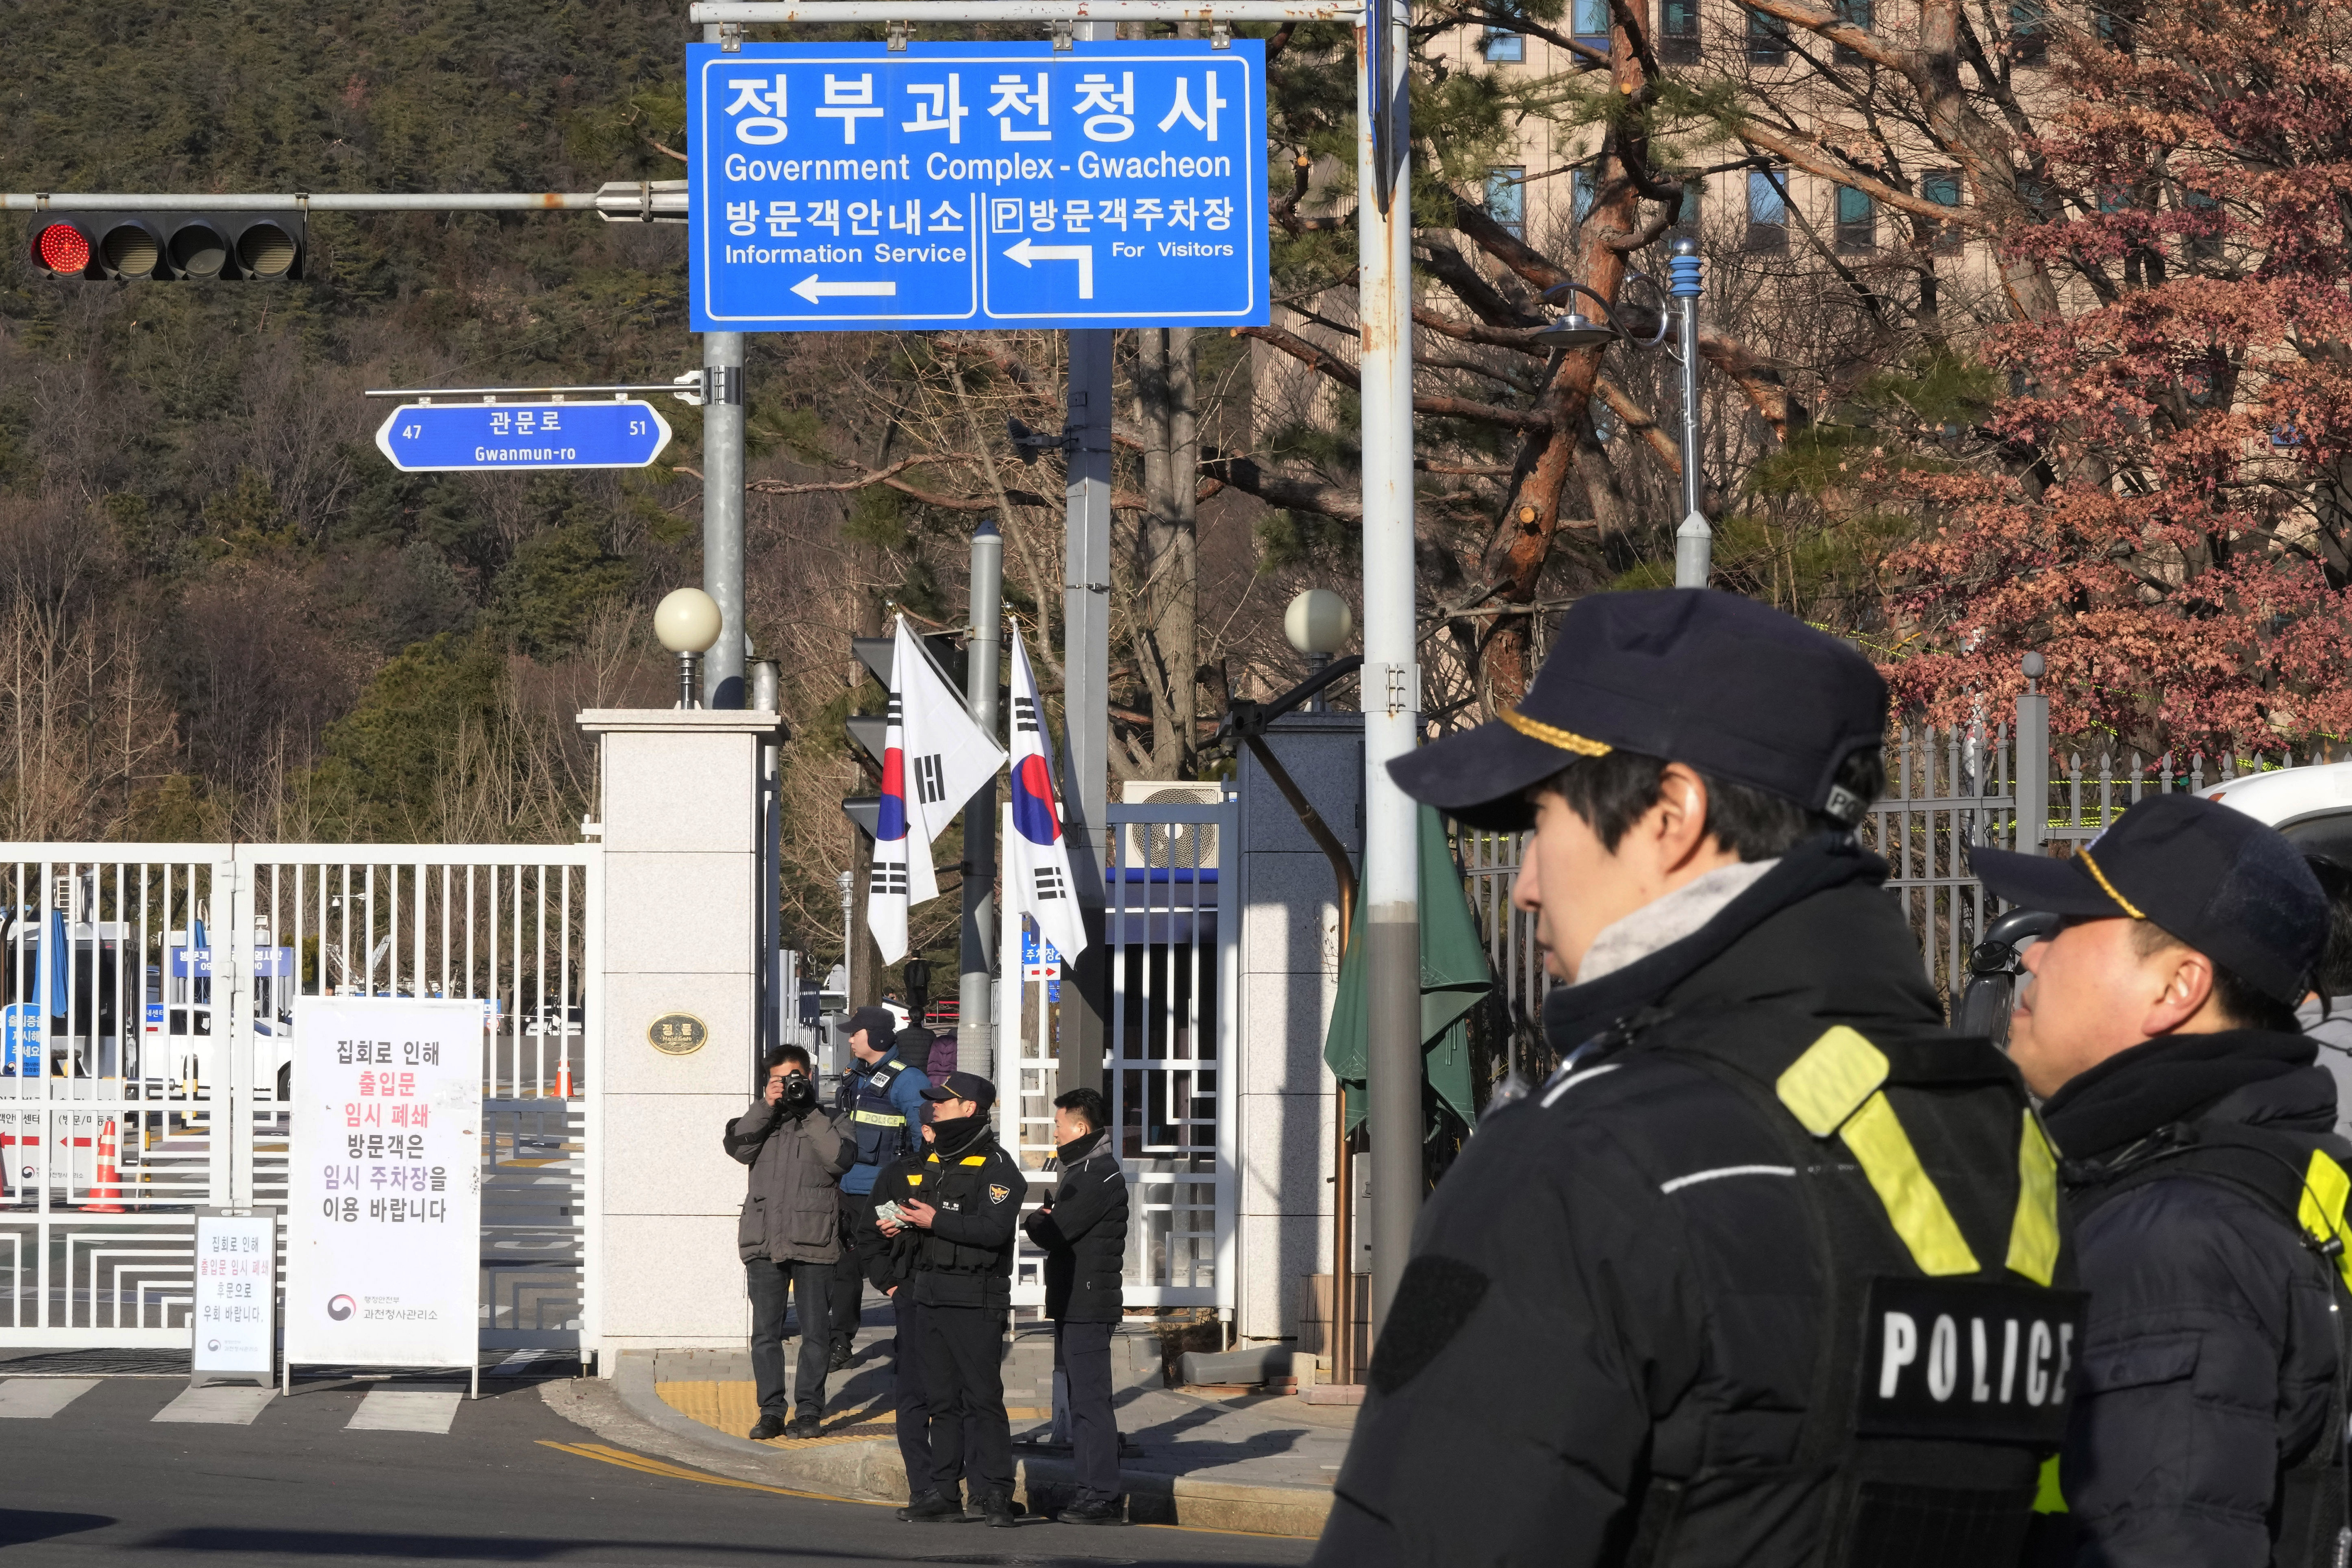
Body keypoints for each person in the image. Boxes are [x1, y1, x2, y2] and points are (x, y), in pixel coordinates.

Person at [1315, 589, 2078, 1566]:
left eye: (1544, 819)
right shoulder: (1998, 1137)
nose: (1526, 884)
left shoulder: (1582, 1158)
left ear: (1671, 814)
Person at [1969, 793, 2347, 1564]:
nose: (2033, 952)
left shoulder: (2174, 1240)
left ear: (2178, 986)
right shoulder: (2291, 1171)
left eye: (2071, 923)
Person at [896, 1070, 1026, 1528]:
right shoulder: (938, 1159)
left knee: (981, 1398)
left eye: (945, 1102)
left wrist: (935, 1222)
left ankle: (992, 1494)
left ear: (969, 1109)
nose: (935, 1108)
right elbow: (930, 1214)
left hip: (975, 1297)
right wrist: (905, 1222)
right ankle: (944, 1493)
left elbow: (993, 1231)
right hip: (931, 1293)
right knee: (941, 1401)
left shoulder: (997, 1166)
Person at [854, 1116, 982, 1520]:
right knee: (914, 1394)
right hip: (912, 1295)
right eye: (938, 1126)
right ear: (926, 1132)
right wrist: (890, 1284)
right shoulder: (900, 1174)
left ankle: (972, 1486)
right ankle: (924, 1486)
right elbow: (869, 1234)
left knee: (963, 1394)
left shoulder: (975, 1168)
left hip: (960, 1296)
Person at [724, 1044, 852, 1441]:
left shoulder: (834, 1119)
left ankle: (809, 1412)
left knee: (816, 1332)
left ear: (809, 1076)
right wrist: (767, 1105)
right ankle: (771, 1412)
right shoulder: (761, 1120)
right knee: (765, 1333)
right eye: (779, 1080)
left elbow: (838, 1161)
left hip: (814, 1240)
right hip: (763, 1239)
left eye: (794, 1077)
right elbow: (738, 1147)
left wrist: (808, 1111)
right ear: (768, 1082)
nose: (788, 1085)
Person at [1022, 1086, 1129, 1527]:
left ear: (1081, 1128)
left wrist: (1034, 1220)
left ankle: (1100, 1496)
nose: (1055, 1134)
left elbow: (1053, 1233)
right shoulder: (1084, 1169)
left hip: (1088, 1302)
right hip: (1076, 1299)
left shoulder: (1095, 1174)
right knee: (1083, 1400)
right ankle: (1088, 1490)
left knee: (1091, 1403)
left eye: (1059, 1126)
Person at [829, 1008, 930, 1372]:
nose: (851, 1038)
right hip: (851, 1192)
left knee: (899, 1267)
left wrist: (913, 1194)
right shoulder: (856, 1076)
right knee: (846, 1269)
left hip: (887, 1195)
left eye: (856, 1033)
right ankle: (839, 1343)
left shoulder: (907, 1080)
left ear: (876, 1036)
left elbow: (925, 1141)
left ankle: (911, 1344)